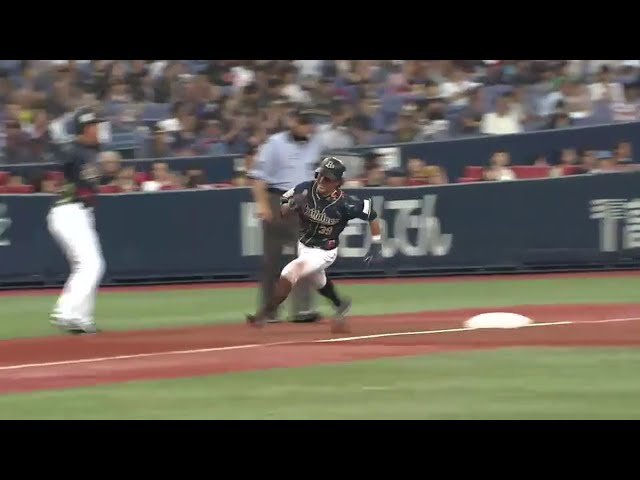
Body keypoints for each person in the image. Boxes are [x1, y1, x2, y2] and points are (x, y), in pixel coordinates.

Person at [246, 157, 383, 333]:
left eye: (328, 178)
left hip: (324, 252)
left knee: (290, 272)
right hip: (303, 245)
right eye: (320, 175)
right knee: (319, 282)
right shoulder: (305, 188)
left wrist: (376, 243)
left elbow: (371, 213)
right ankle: (340, 304)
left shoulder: (346, 203)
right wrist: (290, 207)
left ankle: (262, 315)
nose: (322, 181)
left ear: (338, 182)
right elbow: (284, 201)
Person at [248, 107, 324, 323]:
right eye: (302, 123)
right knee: (272, 260)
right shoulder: (275, 144)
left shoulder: (315, 143)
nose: (306, 127)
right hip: (276, 198)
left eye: (308, 123)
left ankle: (302, 309)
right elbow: (258, 178)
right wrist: (262, 204)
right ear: (292, 122)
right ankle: (269, 311)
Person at [46, 106, 110, 334]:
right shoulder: (74, 150)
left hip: (80, 213)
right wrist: (60, 136)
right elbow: (60, 157)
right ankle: (65, 311)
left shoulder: (90, 151)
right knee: (92, 265)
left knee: (86, 265)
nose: (98, 129)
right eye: (94, 126)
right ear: (85, 128)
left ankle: (81, 318)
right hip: (69, 211)